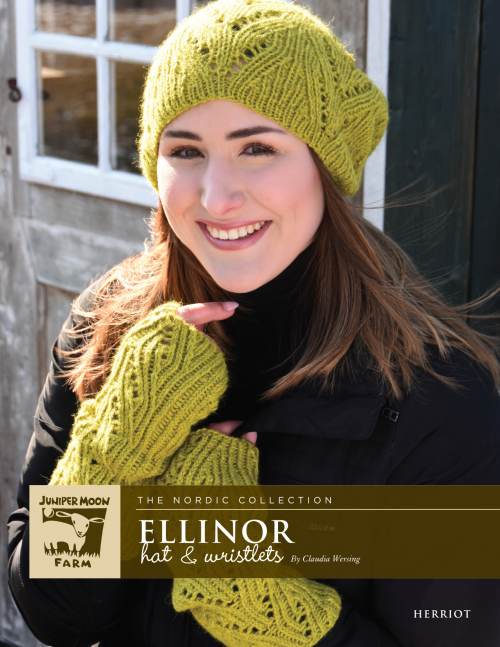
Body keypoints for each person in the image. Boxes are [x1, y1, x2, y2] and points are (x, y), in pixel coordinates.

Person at [7, 0, 500, 645]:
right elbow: (53, 616)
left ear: (325, 167)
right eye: (186, 150)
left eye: (258, 147)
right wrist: (113, 457)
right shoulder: (109, 325)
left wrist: (238, 577)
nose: (216, 197)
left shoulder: (436, 395)